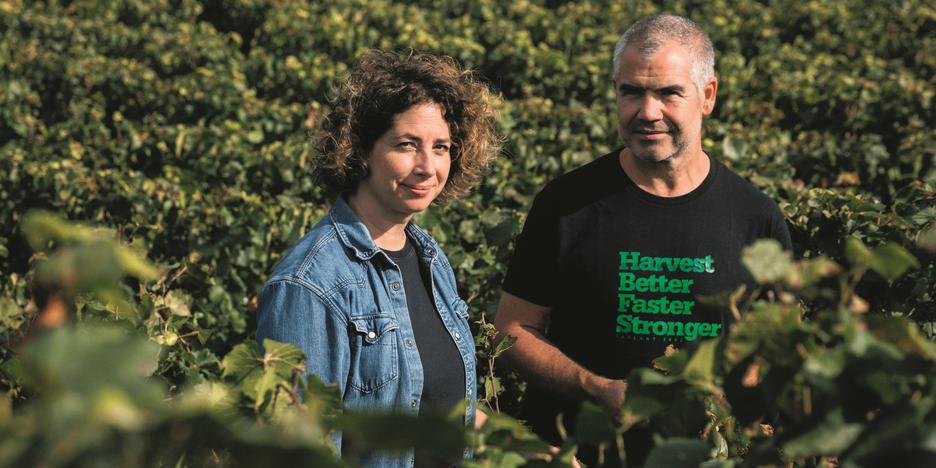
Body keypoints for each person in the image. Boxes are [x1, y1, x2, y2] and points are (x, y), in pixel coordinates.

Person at [494, 13, 792, 465]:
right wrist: (596, 388)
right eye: (631, 92)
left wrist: (735, 400)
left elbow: (779, 343)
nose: (647, 112)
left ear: (707, 96)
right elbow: (513, 330)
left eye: (669, 92)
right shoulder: (567, 204)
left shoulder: (756, 218)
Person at [256, 50, 500, 467]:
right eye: (407, 145)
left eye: (440, 147)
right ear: (362, 150)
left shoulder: (430, 258)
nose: (427, 167)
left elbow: (440, 406)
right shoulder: (309, 284)